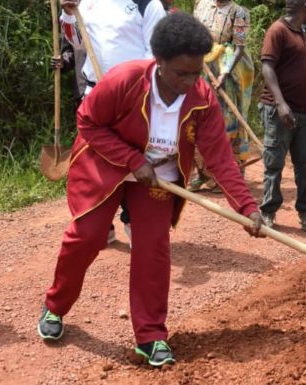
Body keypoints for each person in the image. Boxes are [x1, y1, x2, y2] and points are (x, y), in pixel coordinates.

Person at [36, 13, 264, 367]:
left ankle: (151, 336)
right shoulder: (125, 80)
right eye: (181, 73)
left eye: (196, 72)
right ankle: (55, 305)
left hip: (159, 177)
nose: (190, 82)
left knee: (153, 249)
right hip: (107, 164)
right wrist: (131, 160)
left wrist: (246, 207)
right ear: (159, 61)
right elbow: (88, 122)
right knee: (87, 236)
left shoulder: (202, 98)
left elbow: (220, 158)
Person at [58, 0, 167, 244]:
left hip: (134, 97)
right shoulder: (86, 2)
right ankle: (100, 225)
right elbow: (77, 42)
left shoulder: (147, 5)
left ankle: (133, 221)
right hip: (95, 94)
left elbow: (156, 54)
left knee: (134, 162)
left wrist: (133, 89)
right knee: (94, 163)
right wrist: (69, 14)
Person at [258, 0, 306, 232]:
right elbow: (267, 67)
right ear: (305, 5)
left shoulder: (302, 34)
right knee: (274, 163)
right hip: (279, 110)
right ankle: (268, 212)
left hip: (304, 112)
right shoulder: (278, 30)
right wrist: (281, 103)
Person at [191, 0, 255, 191]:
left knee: (226, 124)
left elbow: (239, 48)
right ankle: (202, 173)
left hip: (227, 76)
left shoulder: (239, 13)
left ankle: (228, 176)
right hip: (200, 70)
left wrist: (224, 73)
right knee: (198, 120)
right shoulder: (201, 4)